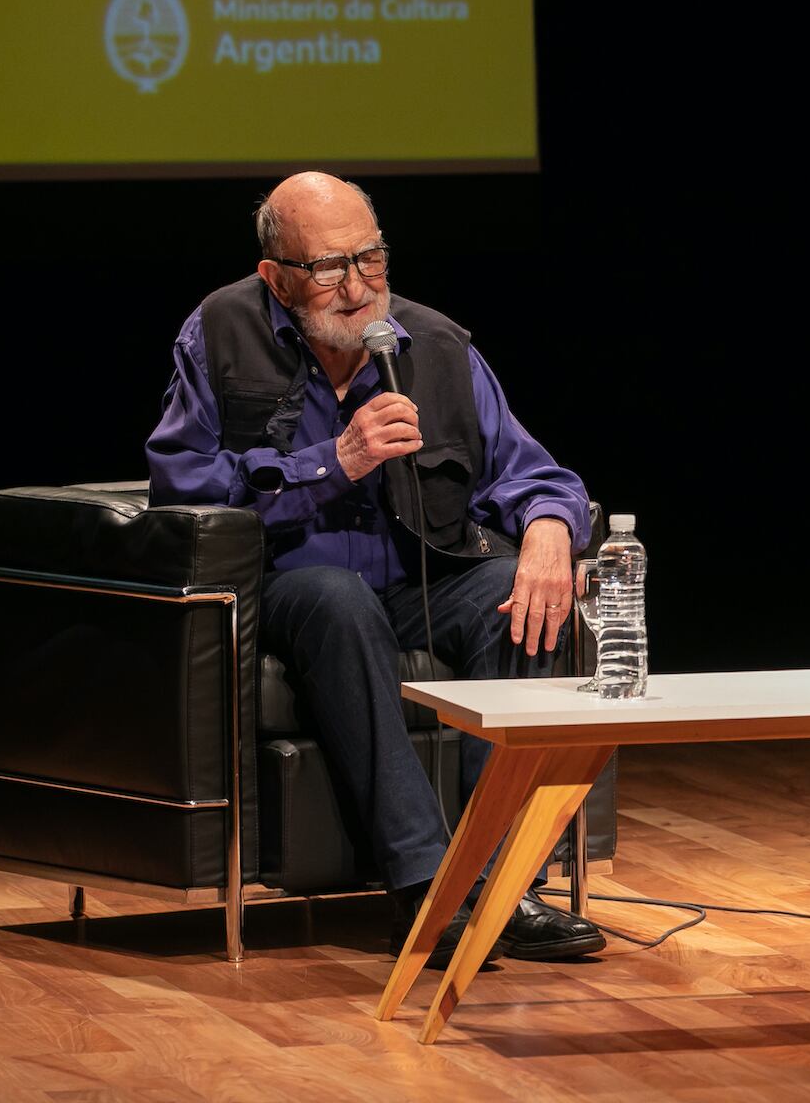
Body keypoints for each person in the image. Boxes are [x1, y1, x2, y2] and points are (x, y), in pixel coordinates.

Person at [147, 171, 605, 963]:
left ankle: (500, 883)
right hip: (289, 586)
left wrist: (549, 532)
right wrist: (330, 462)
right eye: (329, 267)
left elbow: (536, 474)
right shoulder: (220, 330)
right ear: (276, 275)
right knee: (336, 598)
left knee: (510, 591)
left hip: (417, 577)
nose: (357, 288)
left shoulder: (436, 345)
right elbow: (179, 483)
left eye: (371, 259)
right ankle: (428, 888)